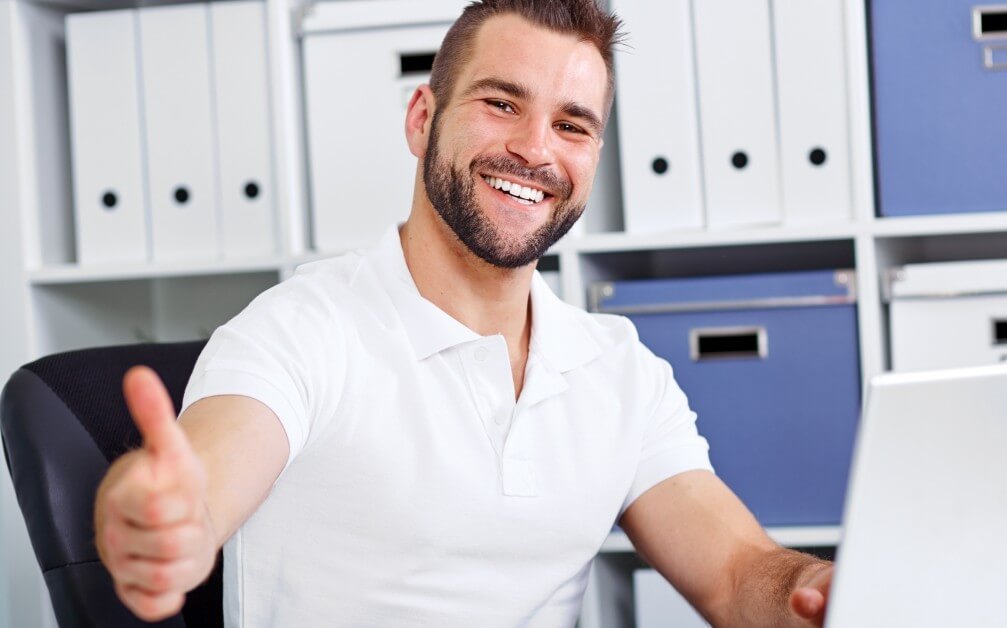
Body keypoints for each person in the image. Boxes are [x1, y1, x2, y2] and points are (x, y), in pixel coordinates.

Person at [93, 1, 836, 625]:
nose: (534, 149)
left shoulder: (620, 370)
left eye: (572, 125)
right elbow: (203, 479)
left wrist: (824, 594)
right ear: (423, 118)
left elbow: (739, 574)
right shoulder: (301, 329)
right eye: (501, 102)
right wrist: (165, 519)